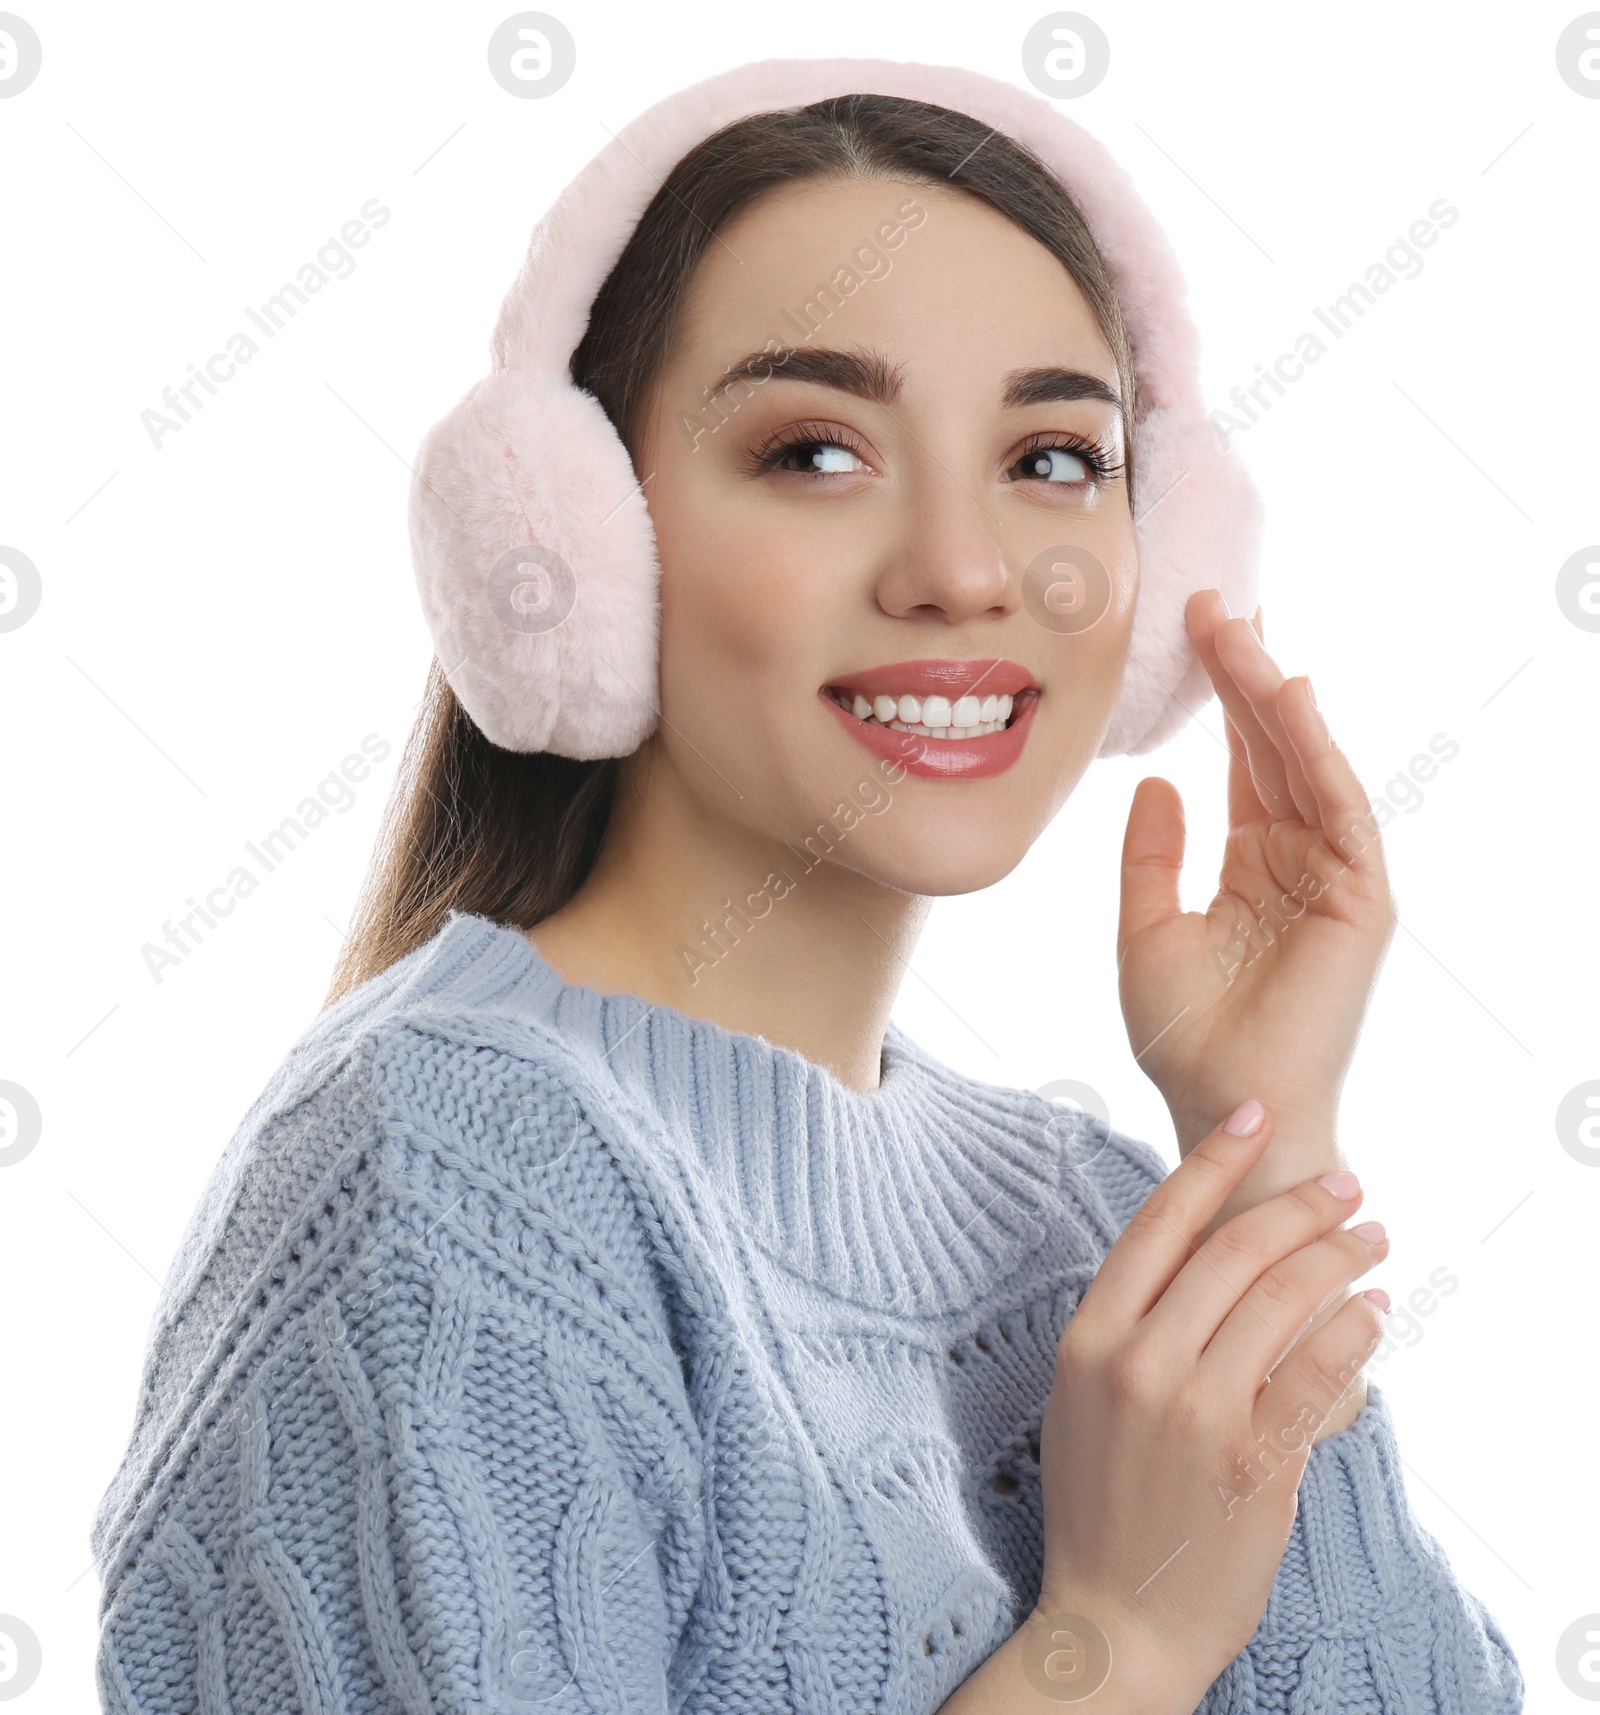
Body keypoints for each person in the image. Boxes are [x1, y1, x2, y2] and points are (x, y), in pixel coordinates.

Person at [91, 58, 1523, 1714]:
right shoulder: (447, 1170)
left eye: (1054, 458)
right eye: (816, 452)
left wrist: (1265, 1159)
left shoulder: (1089, 1214)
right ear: (579, 546)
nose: (966, 570)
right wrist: (1108, 1646)